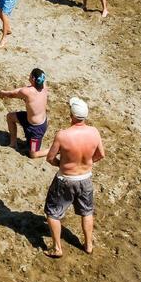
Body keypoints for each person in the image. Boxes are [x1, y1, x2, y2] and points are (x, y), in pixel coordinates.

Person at [43, 97, 105, 258]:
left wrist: (62, 164)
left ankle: (57, 248)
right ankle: (88, 244)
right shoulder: (94, 132)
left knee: (52, 212)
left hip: (66, 179)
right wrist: (87, 163)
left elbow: (50, 158)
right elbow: (101, 155)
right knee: (87, 212)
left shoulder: (63, 135)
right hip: (85, 179)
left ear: (71, 114)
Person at [1, 68, 49, 159]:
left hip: (36, 129)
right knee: (10, 117)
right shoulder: (43, 86)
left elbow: (12, 94)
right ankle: (13, 143)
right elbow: (23, 90)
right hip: (28, 118)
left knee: (33, 155)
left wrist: (3, 93)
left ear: (33, 79)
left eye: (30, 75)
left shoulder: (27, 92)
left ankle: (57, 150)